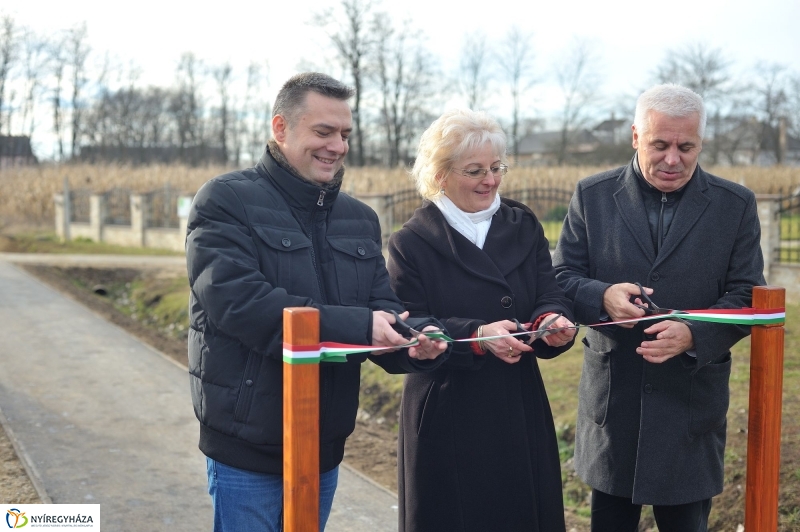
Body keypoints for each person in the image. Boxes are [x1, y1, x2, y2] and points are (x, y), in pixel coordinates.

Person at [185, 72, 449, 532]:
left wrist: (412, 340)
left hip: (324, 442)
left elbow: (381, 308)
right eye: (323, 132)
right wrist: (362, 327)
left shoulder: (359, 219)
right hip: (248, 442)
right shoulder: (226, 200)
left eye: (345, 134)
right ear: (281, 128)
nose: (338, 146)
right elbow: (240, 304)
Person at [552, 84, 766, 532]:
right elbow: (558, 278)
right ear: (635, 137)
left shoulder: (736, 205)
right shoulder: (592, 196)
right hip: (614, 403)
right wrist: (602, 295)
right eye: (660, 145)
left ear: (700, 142)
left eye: (686, 146)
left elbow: (748, 294)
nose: (673, 159)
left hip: (689, 403)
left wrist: (693, 333)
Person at [387, 108, 577, 532]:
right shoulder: (411, 242)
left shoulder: (523, 223)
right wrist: (475, 335)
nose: (490, 180)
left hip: (517, 400)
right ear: (440, 175)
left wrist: (552, 320)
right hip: (448, 409)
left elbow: (548, 289)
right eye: (474, 170)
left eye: (496, 168)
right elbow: (408, 320)